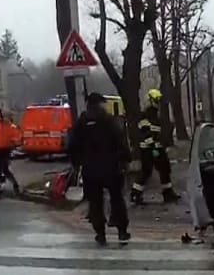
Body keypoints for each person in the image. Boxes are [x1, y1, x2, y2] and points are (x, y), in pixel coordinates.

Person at [69, 92, 131, 246]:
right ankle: (122, 231)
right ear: (100, 104)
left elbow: (72, 145)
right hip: (111, 167)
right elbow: (120, 140)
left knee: (95, 202)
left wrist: (76, 163)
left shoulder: (81, 123)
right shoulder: (109, 120)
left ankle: (100, 233)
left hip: (90, 169)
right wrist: (125, 158)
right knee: (116, 198)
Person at [131, 89, 180, 205]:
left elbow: (159, 133)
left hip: (157, 148)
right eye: (156, 100)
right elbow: (146, 134)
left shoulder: (155, 116)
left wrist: (164, 144)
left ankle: (168, 193)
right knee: (146, 172)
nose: (158, 103)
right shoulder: (144, 117)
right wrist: (153, 149)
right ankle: (135, 194)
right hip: (148, 150)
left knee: (165, 169)